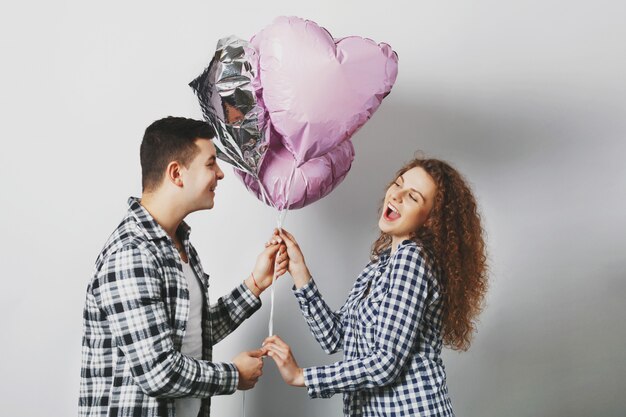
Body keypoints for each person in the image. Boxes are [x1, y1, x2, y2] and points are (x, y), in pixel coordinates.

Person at [79, 117, 286, 417]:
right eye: (211, 163)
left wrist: (256, 283)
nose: (220, 174)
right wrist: (233, 375)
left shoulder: (180, 245)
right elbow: (158, 372)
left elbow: (193, 332)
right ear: (176, 173)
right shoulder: (132, 253)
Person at [263, 156, 488, 417]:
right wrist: (299, 270)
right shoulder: (380, 266)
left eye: (413, 197)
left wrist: (302, 376)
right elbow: (335, 337)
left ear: (431, 220)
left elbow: (386, 363)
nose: (397, 195)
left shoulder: (412, 259)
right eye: (398, 184)